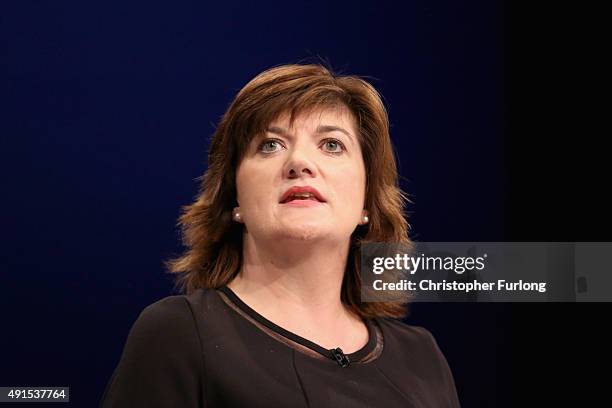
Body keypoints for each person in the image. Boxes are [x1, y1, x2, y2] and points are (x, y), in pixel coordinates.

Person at [100, 63, 461, 407]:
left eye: (332, 145)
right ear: (234, 197)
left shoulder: (421, 357)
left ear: (367, 201)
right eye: (270, 145)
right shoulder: (178, 334)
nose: (299, 162)